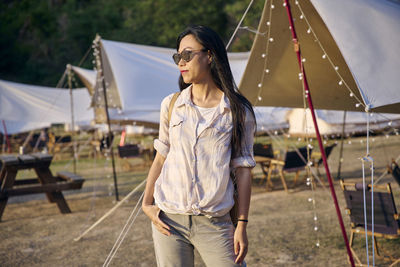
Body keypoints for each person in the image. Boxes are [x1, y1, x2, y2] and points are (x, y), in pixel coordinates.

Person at [142, 25, 256, 267]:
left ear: (210, 55)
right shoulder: (171, 105)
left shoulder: (238, 111)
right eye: (177, 56)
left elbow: (244, 170)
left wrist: (242, 225)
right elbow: (161, 157)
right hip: (169, 221)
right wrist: (146, 204)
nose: (180, 62)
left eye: (187, 55)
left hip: (215, 222)